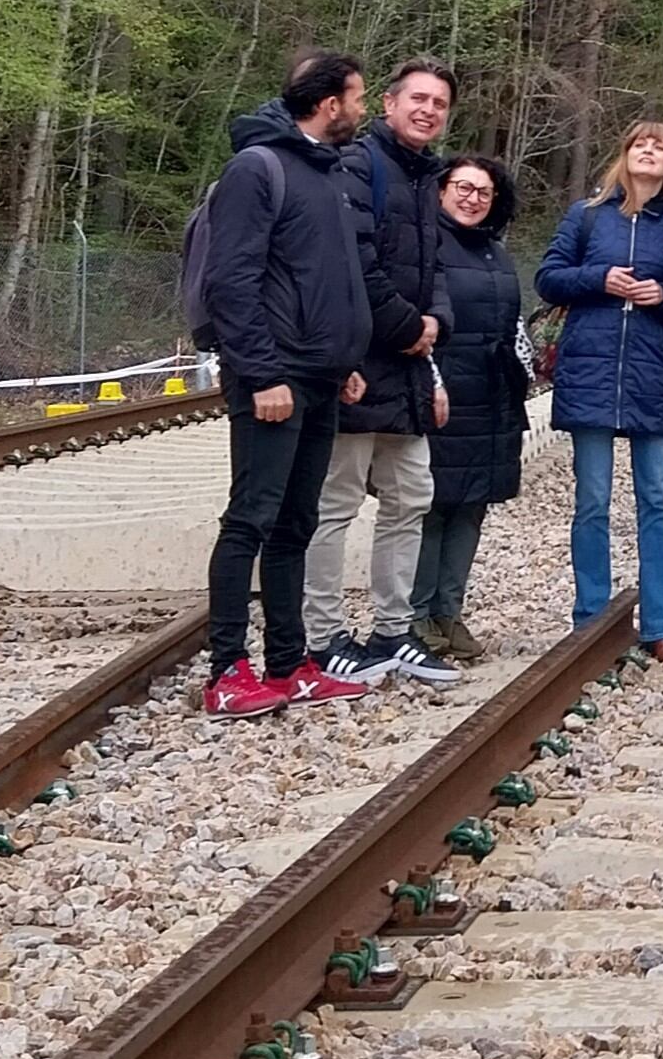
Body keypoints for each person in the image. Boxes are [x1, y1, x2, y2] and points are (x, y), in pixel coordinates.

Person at [197, 52, 408, 718]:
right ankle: (227, 670)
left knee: (296, 523)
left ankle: (290, 665)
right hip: (273, 379)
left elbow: (324, 280)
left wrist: (341, 362)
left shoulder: (325, 172)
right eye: (359, 97)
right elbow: (232, 281)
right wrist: (262, 373)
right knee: (250, 519)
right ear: (328, 103)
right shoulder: (256, 169)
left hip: (319, 379)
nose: (364, 109)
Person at [311, 60, 463, 689]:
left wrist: (436, 324)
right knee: (336, 503)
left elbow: (435, 271)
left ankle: (393, 631)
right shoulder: (357, 165)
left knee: (409, 500)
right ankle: (323, 638)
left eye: (439, 103)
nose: (428, 110)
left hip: (409, 372)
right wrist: (408, 327)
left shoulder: (426, 178)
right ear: (389, 104)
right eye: (417, 99)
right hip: (358, 363)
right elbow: (353, 260)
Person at [538, 122, 663, 664]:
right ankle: (591, 623)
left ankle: (661, 626)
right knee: (591, 501)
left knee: (656, 500)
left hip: (650, 376)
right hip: (589, 372)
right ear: (625, 155)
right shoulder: (587, 216)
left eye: (660, 147)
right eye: (641, 144)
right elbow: (549, 278)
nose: (649, 151)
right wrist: (599, 279)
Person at [409, 156, 532, 663]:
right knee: (430, 505)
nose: (472, 198)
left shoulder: (494, 252)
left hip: (490, 395)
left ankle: (449, 611)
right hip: (440, 392)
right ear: (441, 190)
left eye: (483, 192)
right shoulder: (423, 244)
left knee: (471, 507)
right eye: (463, 187)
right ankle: (415, 614)